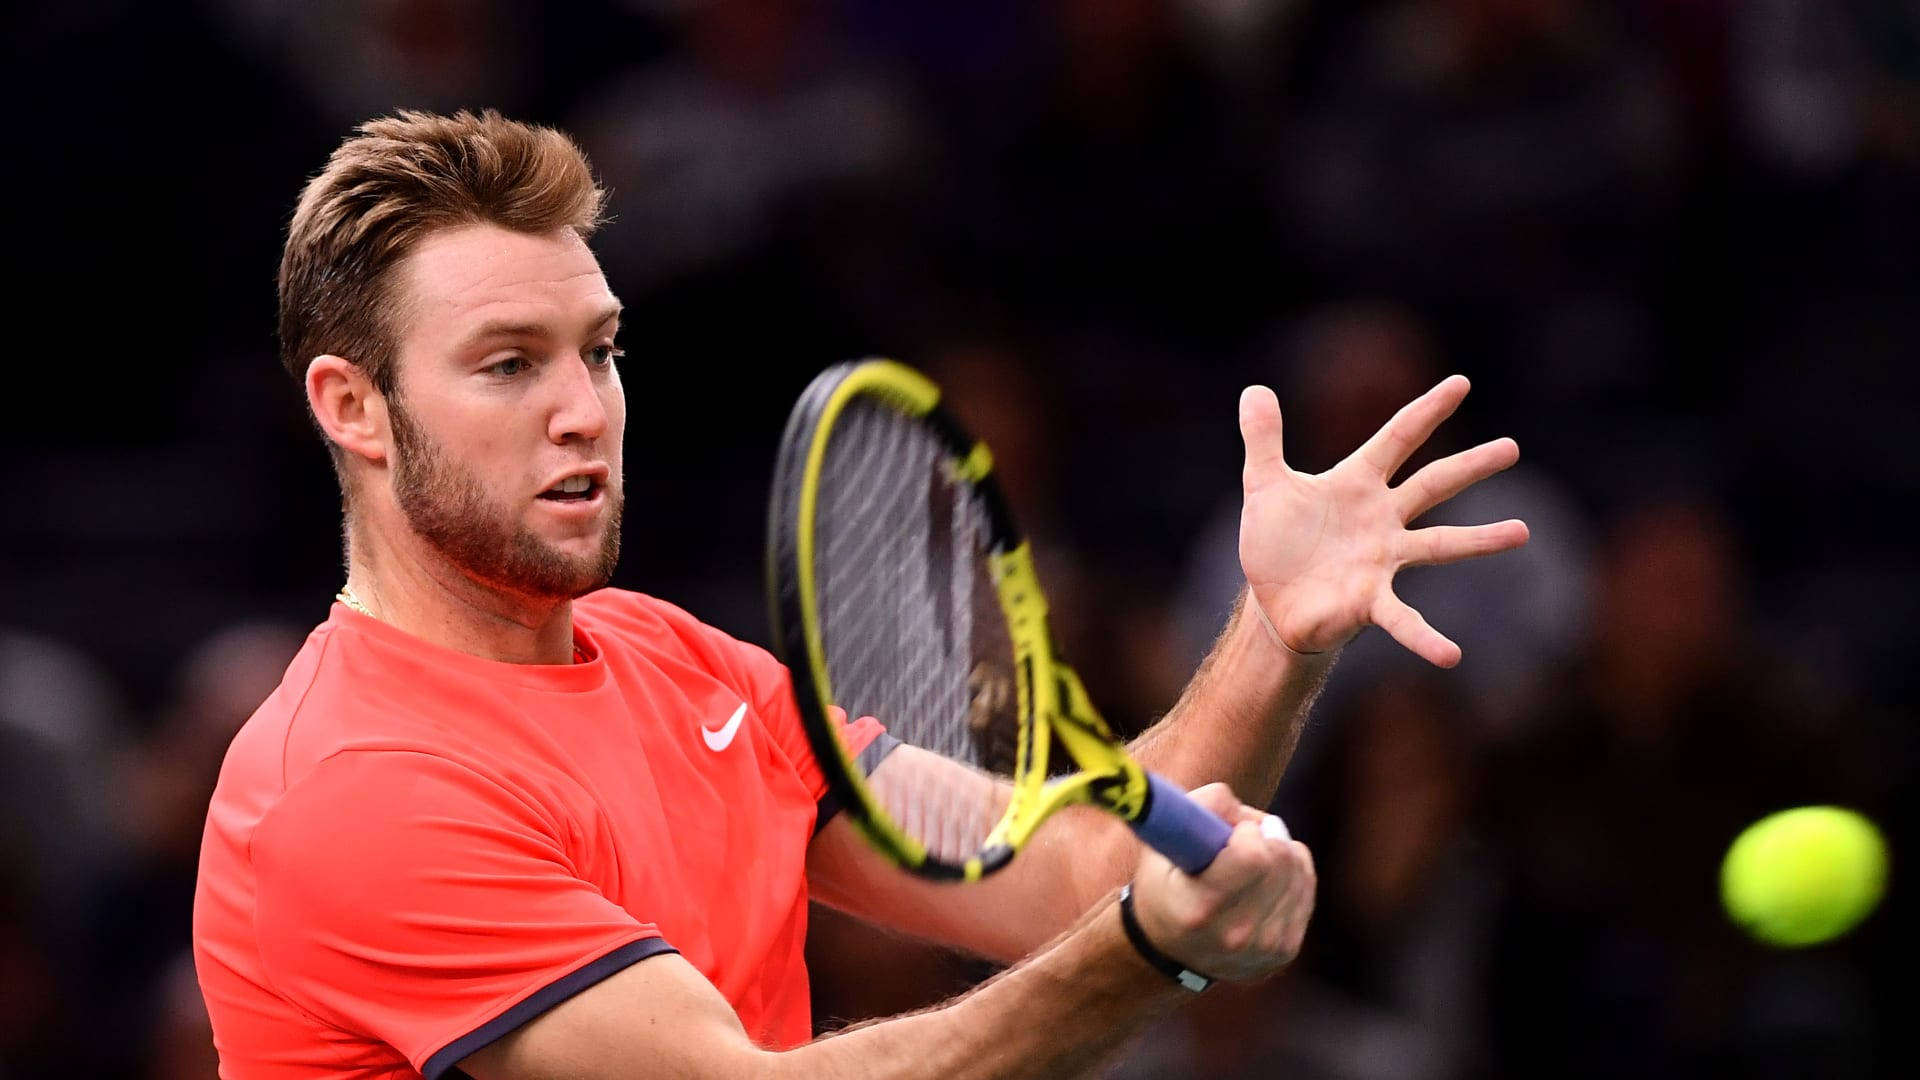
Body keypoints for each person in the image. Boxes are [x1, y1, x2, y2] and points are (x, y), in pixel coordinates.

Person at [191, 109, 1529, 1079]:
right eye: (506, 365)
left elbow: (1071, 865)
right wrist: (1145, 957)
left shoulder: (680, 667)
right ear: (353, 407)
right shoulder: (357, 785)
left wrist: (1274, 635)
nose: (581, 413)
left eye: (597, 353)